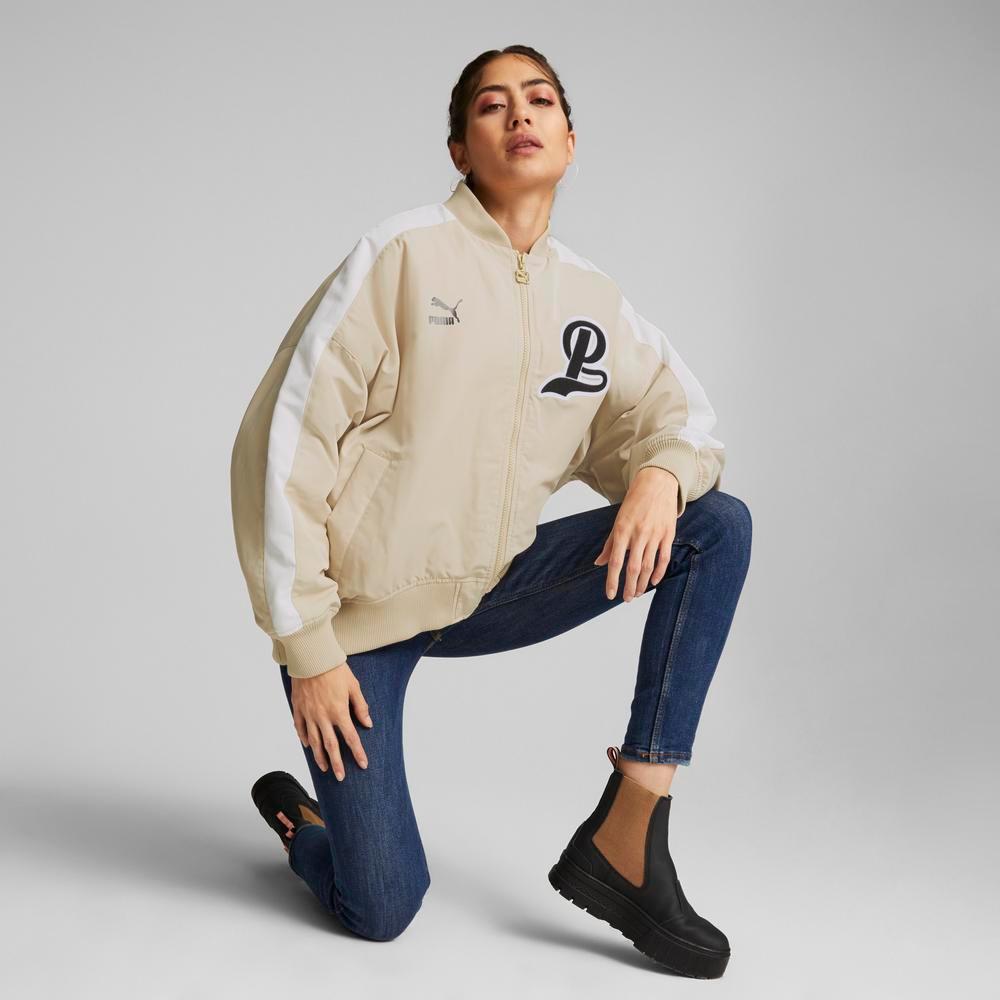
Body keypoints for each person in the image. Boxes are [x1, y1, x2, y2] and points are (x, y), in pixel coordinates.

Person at [231, 45, 751, 978]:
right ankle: (303, 825)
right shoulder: (401, 256)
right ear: (460, 149)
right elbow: (281, 446)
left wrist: (660, 474)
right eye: (492, 105)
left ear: (569, 140)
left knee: (716, 525)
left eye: (539, 100)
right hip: (357, 622)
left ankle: (630, 828)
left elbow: (688, 420)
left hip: (491, 590)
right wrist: (307, 649)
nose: (519, 116)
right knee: (380, 907)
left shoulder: (590, 299)